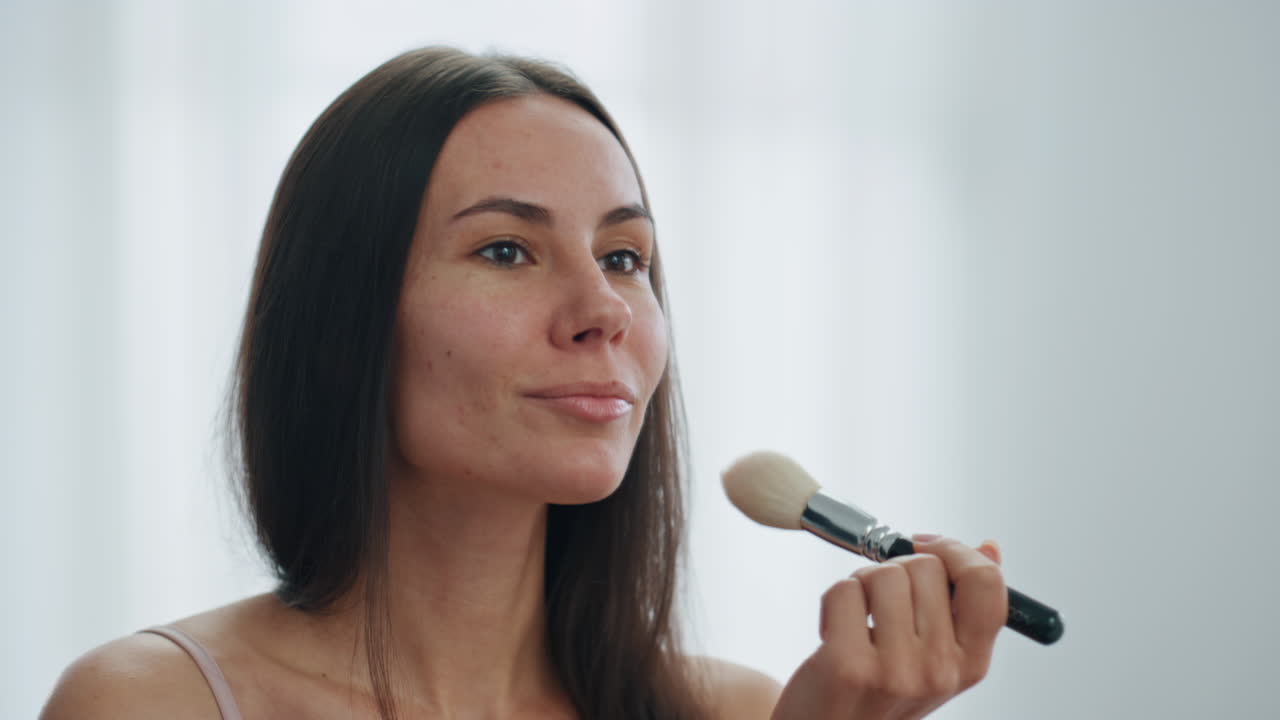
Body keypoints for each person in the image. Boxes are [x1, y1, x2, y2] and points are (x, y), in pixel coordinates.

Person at [40, 47, 1008, 719]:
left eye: (625, 257)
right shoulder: (151, 703)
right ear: (346, 320)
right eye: (506, 250)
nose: (605, 309)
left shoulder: (753, 712)